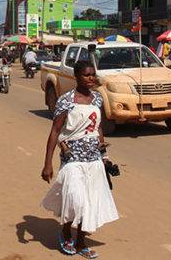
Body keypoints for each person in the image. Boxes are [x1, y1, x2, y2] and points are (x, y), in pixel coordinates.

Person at [41, 61, 118, 259]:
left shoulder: (98, 99)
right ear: (76, 76)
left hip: (93, 159)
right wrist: (47, 163)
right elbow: (55, 131)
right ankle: (66, 233)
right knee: (76, 199)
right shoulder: (66, 100)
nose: (91, 78)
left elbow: (98, 128)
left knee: (89, 201)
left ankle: (81, 242)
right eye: (86, 75)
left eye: (93, 74)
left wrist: (105, 156)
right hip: (72, 158)